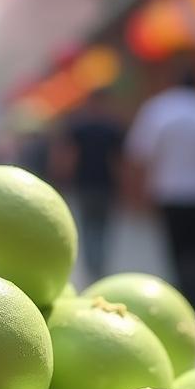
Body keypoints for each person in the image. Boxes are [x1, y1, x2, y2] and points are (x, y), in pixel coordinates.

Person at [125, 69, 195, 314]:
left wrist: (138, 195)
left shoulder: (158, 109)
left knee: (176, 252)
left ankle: (182, 304)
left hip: (169, 193)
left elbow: (140, 154)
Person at [64, 89, 125, 281]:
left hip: (85, 183)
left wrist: (67, 177)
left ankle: (93, 264)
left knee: (89, 224)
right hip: (105, 183)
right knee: (102, 225)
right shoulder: (112, 127)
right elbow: (118, 160)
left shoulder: (80, 126)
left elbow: (71, 156)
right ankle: (98, 264)